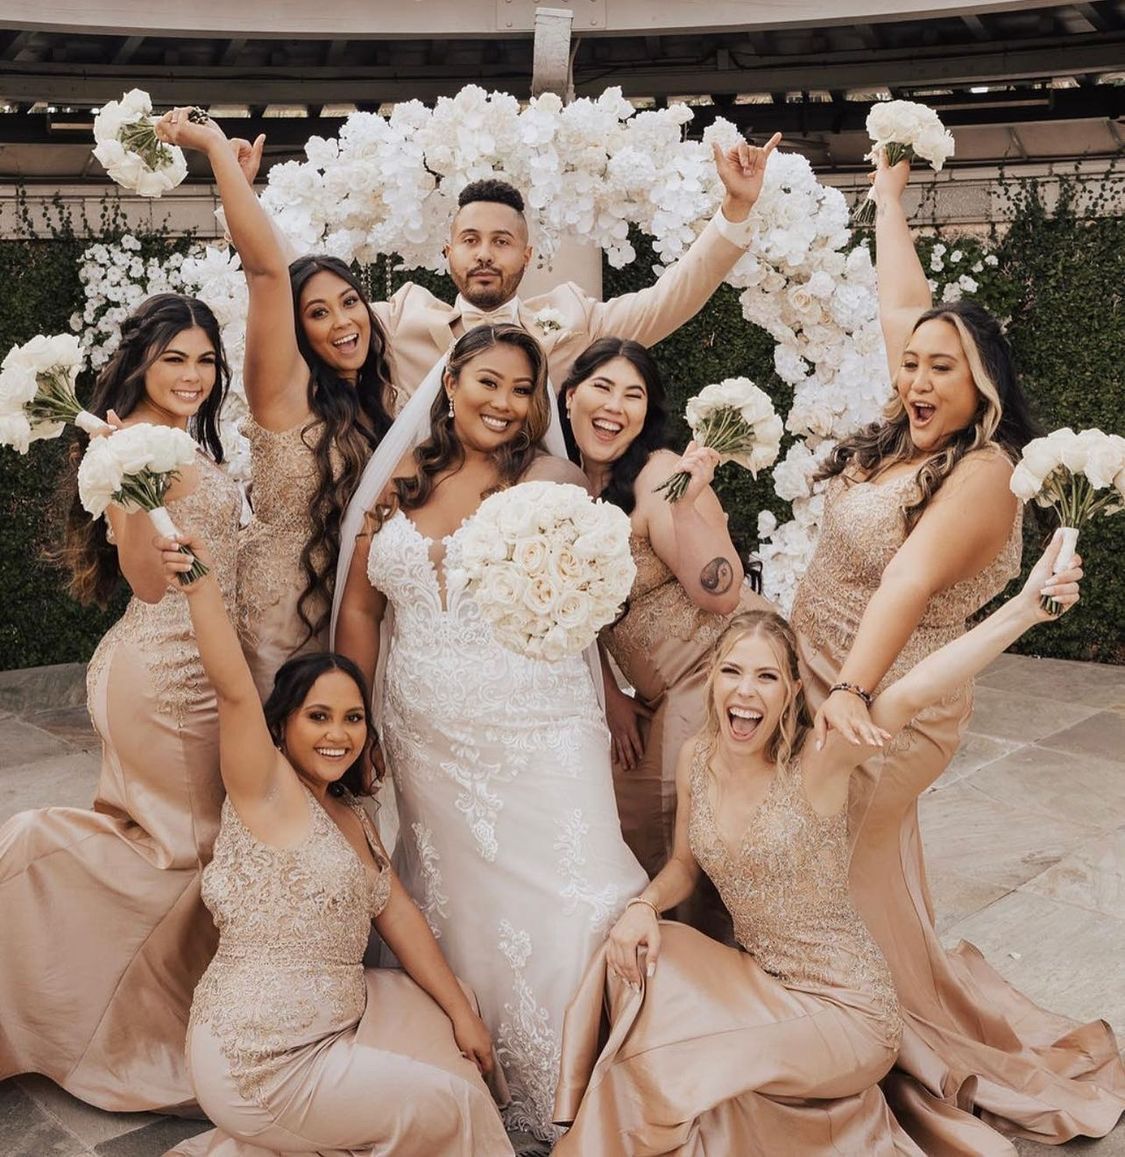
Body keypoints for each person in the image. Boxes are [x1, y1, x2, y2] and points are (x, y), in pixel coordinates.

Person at [789, 154, 1125, 1150]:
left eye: (944, 365)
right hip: (814, 668)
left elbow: (903, 581)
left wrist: (849, 686)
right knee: (844, 876)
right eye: (914, 362)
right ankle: (826, 1020)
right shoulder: (907, 428)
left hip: (891, 704)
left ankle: (885, 1045)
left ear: (985, 382)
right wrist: (888, 201)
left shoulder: (983, 471)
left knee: (821, 870)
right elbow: (906, 309)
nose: (919, 373)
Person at [553, 537, 1085, 1156]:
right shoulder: (698, 756)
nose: (744, 692)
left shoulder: (820, 764)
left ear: (789, 692)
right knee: (641, 953)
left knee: (666, 1066)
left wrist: (1023, 610)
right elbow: (682, 866)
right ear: (713, 681)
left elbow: (914, 690)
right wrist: (645, 904)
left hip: (847, 1011)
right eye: (731, 671)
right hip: (762, 980)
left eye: (765, 677)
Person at [334, 323, 649, 1141]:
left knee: (572, 886)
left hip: (537, 723)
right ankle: (483, 1069)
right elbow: (364, 605)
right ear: (450, 383)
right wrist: (358, 712)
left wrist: (610, 687)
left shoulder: (550, 477)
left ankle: (585, 1079)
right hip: (423, 731)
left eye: (521, 390)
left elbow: (582, 603)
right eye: (489, 383)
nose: (506, 404)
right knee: (458, 899)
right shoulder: (402, 477)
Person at [155, 534, 514, 1157]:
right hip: (260, 1057)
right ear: (281, 726)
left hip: (335, 1023)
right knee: (447, 1103)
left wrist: (462, 1013)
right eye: (318, 716)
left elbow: (400, 917)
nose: (339, 734)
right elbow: (235, 690)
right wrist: (200, 592)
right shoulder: (266, 791)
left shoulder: (352, 814)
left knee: (446, 1012)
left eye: (352, 718)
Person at [0, 294, 241, 1111]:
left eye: (206, 359)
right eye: (175, 357)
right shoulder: (130, 448)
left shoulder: (161, 440)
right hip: (172, 680)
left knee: (171, 851)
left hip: (179, 667)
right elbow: (143, 578)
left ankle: (101, 1000)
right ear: (140, 360)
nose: (194, 375)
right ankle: (136, 1032)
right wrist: (137, 504)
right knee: (183, 855)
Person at [157, 108, 395, 697]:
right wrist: (214, 151)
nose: (342, 321)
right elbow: (267, 272)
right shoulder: (282, 392)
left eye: (349, 302)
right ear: (296, 331)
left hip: (358, 612)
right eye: (318, 313)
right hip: (278, 620)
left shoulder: (371, 404)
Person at [559, 337, 772, 881]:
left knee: (679, 829)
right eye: (602, 387)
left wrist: (683, 504)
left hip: (719, 667)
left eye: (633, 396)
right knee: (623, 811)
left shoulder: (660, 474)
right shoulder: (561, 489)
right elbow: (567, 616)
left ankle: (702, 953)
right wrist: (610, 695)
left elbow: (719, 593)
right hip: (657, 690)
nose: (614, 406)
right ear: (569, 398)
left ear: (646, 415)